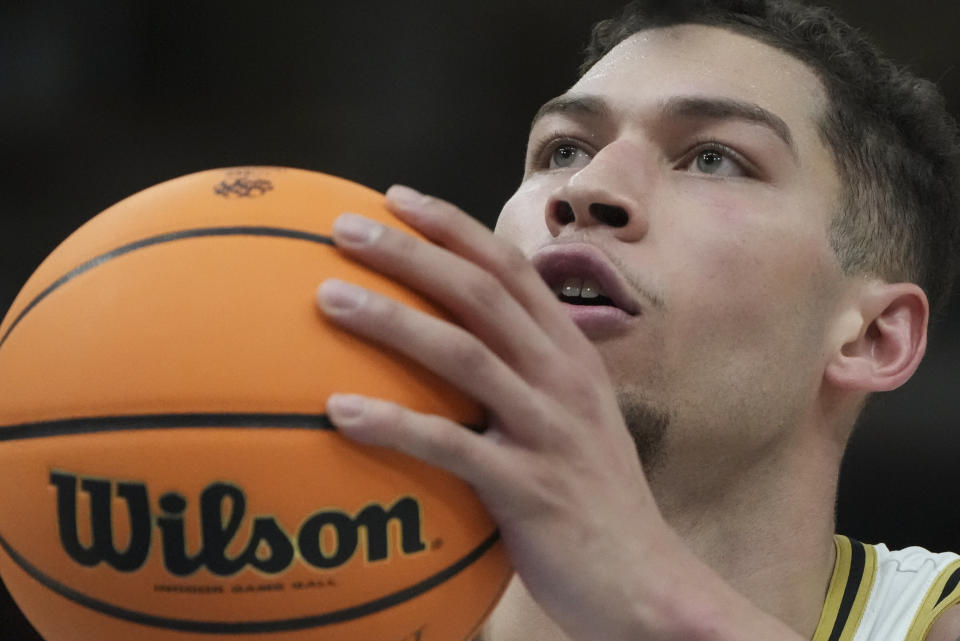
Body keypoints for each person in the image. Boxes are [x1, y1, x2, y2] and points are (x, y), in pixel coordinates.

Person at [316, 0, 960, 639]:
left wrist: (651, 600)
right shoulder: (305, 594)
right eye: (564, 150)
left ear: (873, 337)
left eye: (713, 158)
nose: (586, 189)